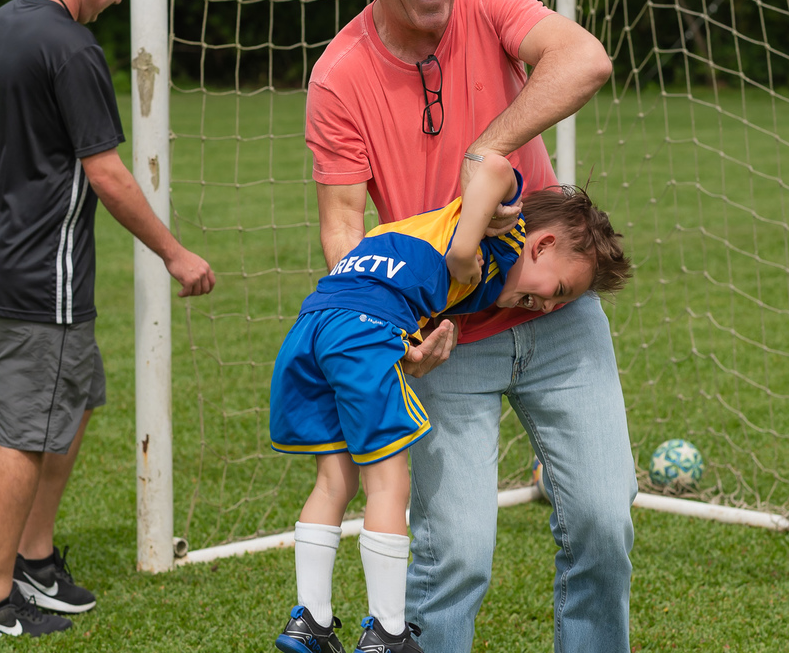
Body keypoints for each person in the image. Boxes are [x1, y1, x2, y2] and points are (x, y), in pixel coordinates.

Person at [306, 0, 636, 653]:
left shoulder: (487, 0)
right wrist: (391, 336)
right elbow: (343, 233)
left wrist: (489, 147)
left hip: (557, 313)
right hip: (444, 335)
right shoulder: (339, 76)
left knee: (603, 517)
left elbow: (585, 60)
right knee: (455, 553)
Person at [0, 0, 216, 638]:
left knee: (79, 393)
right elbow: (109, 176)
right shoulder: (70, 49)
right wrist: (176, 252)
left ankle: (32, 555)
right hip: (41, 277)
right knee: (26, 430)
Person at [270, 153, 631, 653]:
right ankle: (387, 631)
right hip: (364, 333)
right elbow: (494, 167)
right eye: (560, 291)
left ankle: (309, 620)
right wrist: (465, 248)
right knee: (389, 487)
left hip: (312, 324)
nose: (549, 307)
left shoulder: (431, 244)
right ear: (542, 243)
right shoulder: (497, 232)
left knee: (334, 481)